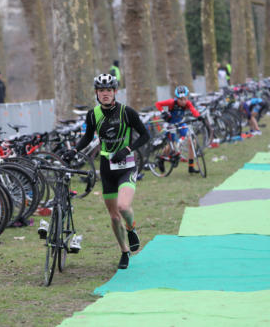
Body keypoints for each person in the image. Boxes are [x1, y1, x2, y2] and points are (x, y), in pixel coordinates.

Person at [62, 73, 149, 270]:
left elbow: (145, 135)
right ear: (96, 93)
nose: (105, 94)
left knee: (124, 207)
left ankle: (132, 228)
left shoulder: (127, 112)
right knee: (113, 216)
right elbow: (87, 137)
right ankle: (124, 251)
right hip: (107, 168)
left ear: (115, 92)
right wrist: (74, 150)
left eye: (109, 90)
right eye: (101, 90)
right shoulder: (93, 114)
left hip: (126, 166)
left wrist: (127, 150)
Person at [155, 85, 201, 174]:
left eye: (185, 98)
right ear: (177, 98)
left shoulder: (188, 103)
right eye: (180, 99)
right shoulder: (172, 102)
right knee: (170, 146)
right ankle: (161, 159)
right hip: (170, 124)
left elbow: (193, 110)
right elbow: (158, 104)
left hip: (180, 123)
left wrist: (199, 116)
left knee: (192, 141)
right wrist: (163, 112)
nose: (183, 101)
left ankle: (191, 167)